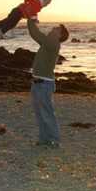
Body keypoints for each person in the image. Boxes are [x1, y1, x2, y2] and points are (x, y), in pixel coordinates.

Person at [27, 17, 69, 147]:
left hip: (44, 84)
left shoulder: (53, 43)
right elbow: (37, 35)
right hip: (37, 83)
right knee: (40, 114)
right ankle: (44, 139)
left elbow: (37, 35)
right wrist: (31, 20)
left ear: (60, 35)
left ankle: (55, 140)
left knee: (47, 113)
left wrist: (31, 19)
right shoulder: (49, 42)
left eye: (57, 29)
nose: (53, 28)